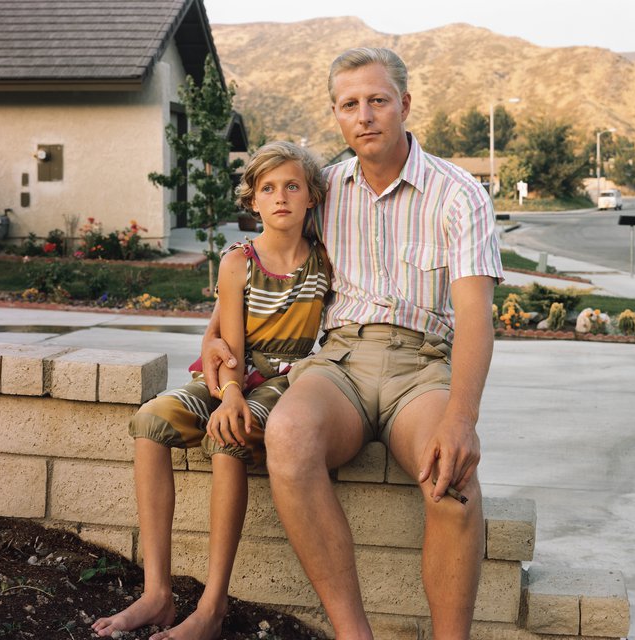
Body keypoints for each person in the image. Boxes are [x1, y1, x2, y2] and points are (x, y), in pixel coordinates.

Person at [203, 48, 503, 639]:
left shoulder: (458, 194)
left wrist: (461, 417)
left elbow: (475, 316)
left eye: (377, 100)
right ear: (336, 116)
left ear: (405, 106)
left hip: (422, 367)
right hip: (339, 360)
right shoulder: (323, 191)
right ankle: (352, 633)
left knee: (453, 481)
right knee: (287, 434)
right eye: (349, 105)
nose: (364, 115)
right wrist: (214, 333)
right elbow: (258, 255)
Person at [93, 141, 330, 640]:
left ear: (312, 197)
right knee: (151, 420)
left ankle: (212, 604)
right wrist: (228, 392)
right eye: (268, 188)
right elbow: (228, 344)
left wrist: (237, 403)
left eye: (292, 186)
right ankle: (157, 592)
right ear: (253, 201)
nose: (281, 197)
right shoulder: (237, 261)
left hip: (286, 383)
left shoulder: (324, 263)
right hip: (232, 376)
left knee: (227, 438)